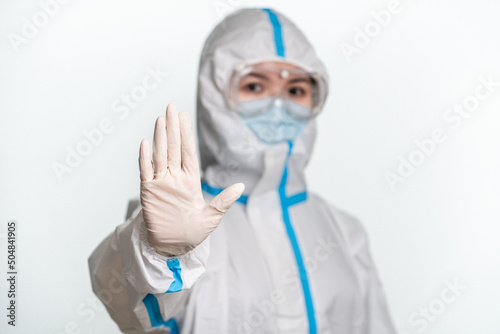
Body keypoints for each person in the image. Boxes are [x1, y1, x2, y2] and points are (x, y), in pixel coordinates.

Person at [88, 7, 397, 334]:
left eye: (295, 90)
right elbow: (128, 304)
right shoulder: (177, 221)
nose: (278, 106)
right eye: (254, 86)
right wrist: (158, 251)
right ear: (214, 94)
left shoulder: (345, 234)